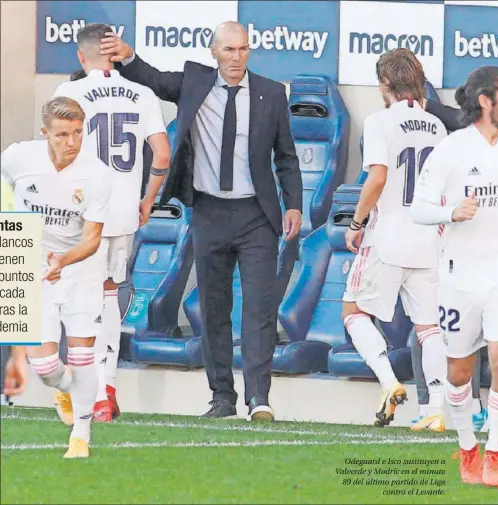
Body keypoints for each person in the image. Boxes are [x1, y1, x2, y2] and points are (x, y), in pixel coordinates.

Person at [99, 22, 303, 421]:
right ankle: (222, 397)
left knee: (260, 309)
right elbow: (155, 80)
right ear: (214, 52)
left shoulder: (272, 92)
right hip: (208, 212)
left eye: (243, 49)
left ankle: (258, 399)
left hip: (257, 214)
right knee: (213, 307)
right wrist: (128, 56)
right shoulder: (194, 82)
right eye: (228, 50)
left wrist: (293, 203)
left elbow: (286, 155)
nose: (236, 57)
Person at [411, 66, 498, 487]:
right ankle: (468, 445)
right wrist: (451, 212)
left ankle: (495, 452)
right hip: (460, 276)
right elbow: (419, 208)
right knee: (459, 372)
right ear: (486, 101)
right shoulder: (451, 150)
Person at [53, 23, 171, 423]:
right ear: (116, 55)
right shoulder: (143, 93)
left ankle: (85, 390)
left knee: (75, 299)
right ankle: (107, 390)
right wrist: (147, 199)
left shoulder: (69, 92)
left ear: (81, 57)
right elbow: (163, 155)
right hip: (123, 210)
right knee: (107, 295)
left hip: (81, 211)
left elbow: (58, 155)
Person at [341, 49, 448, 431]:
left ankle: (388, 383)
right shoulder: (436, 125)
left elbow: (378, 178)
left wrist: (356, 222)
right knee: (429, 327)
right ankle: (435, 409)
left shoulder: (379, 121)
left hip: (387, 236)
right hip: (428, 238)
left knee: (353, 312)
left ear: (385, 83)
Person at [0, 97, 111, 458]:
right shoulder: (18, 157)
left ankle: (81, 434)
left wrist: (62, 259)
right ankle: (63, 388)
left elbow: (92, 238)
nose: (72, 142)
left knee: (82, 355)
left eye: (78, 133)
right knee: (46, 366)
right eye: (63, 134)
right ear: (45, 132)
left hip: (79, 269)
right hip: (31, 266)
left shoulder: (96, 174)